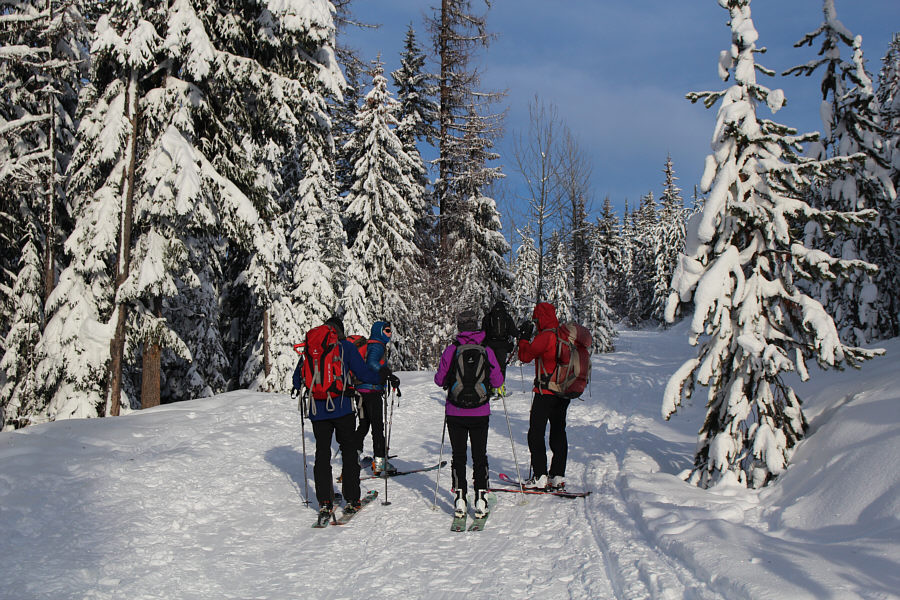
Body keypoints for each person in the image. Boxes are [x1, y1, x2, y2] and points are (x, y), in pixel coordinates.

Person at [299, 315, 397, 521]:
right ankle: (352, 498)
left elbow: (297, 378)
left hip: (317, 409)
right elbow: (363, 373)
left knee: (322, 453)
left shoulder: (313, 348)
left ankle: (325, 501)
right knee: (349, 452)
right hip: (342, 407)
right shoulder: (345, 347)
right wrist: (381, 377)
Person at [433, 308, 504, 518]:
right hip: (480, 411)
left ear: (460, 326)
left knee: (458, 456)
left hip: (455, 411)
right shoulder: (486, 350)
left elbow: (439, 380)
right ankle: (481, 498)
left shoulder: (452, 350)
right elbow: (498, 381)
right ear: (476, 325)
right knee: (479, 455)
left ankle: (460, 498)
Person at [516, 301, 569, 490]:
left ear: (540, 318)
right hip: (564, 391)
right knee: (558, 432)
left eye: (536, 319)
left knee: (536, 433)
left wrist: (523, 339)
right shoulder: (563, 334)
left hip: (545, 392)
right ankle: (557, 475)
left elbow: (525, 356)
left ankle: (540, 475)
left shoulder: (546, 336)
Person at [354, 320, 398, 476]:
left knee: (364, 424)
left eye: (390, 330)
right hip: (372, 391)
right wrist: (386, 372)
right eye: (387, 330)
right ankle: (380, 462)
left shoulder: (370, 344)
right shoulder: (377, 346)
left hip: (360, 390)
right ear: (379, 331)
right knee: (377, 427)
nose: (389, 334)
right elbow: (372, 362)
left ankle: (353, 456)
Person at [481, 300, 518, 389]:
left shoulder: (488, 317)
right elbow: (513, 331)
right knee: (501, 367)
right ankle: (501, 387)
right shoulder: (506, 317)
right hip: (503, 345)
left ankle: (490, 387)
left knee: (490, 366)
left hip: (490, 345)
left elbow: (483, 332)